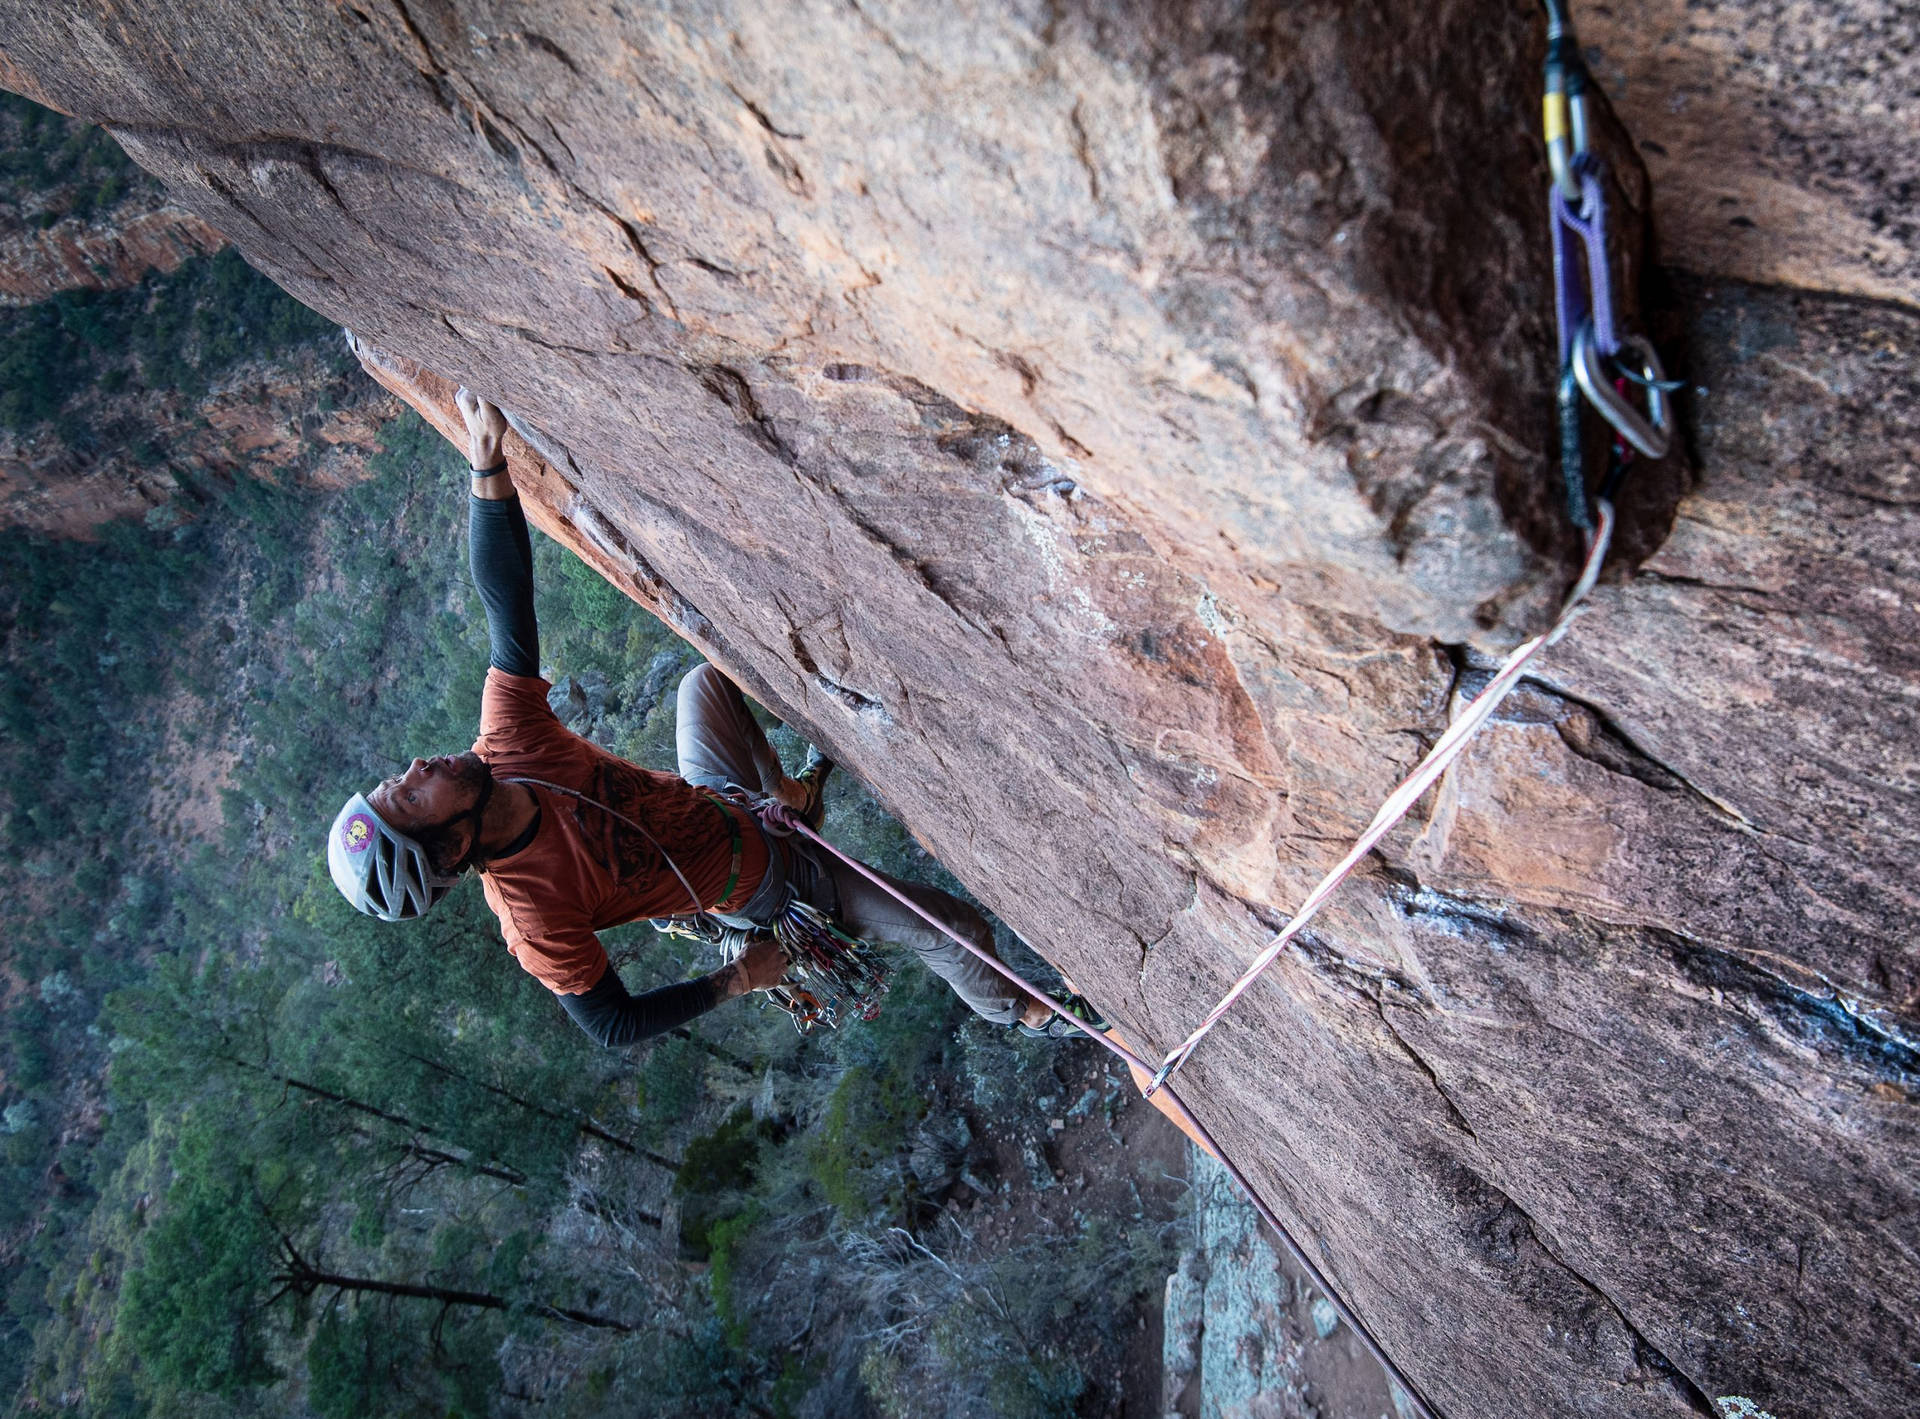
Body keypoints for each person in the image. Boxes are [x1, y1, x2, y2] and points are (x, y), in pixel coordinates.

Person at [327, 387, 1090, 1047]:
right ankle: (1027, 1010)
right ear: (449, 845)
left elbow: (509, 611)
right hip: (770, 886)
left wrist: (486, 463)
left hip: (724, 802)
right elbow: (611, 1024)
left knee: (704, 685)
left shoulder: (506, 745)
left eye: (400, 778)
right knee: (948, 929)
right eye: (411, 796)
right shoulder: (536, 917)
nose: (420, 767)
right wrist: (737, 980)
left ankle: (787, 794)